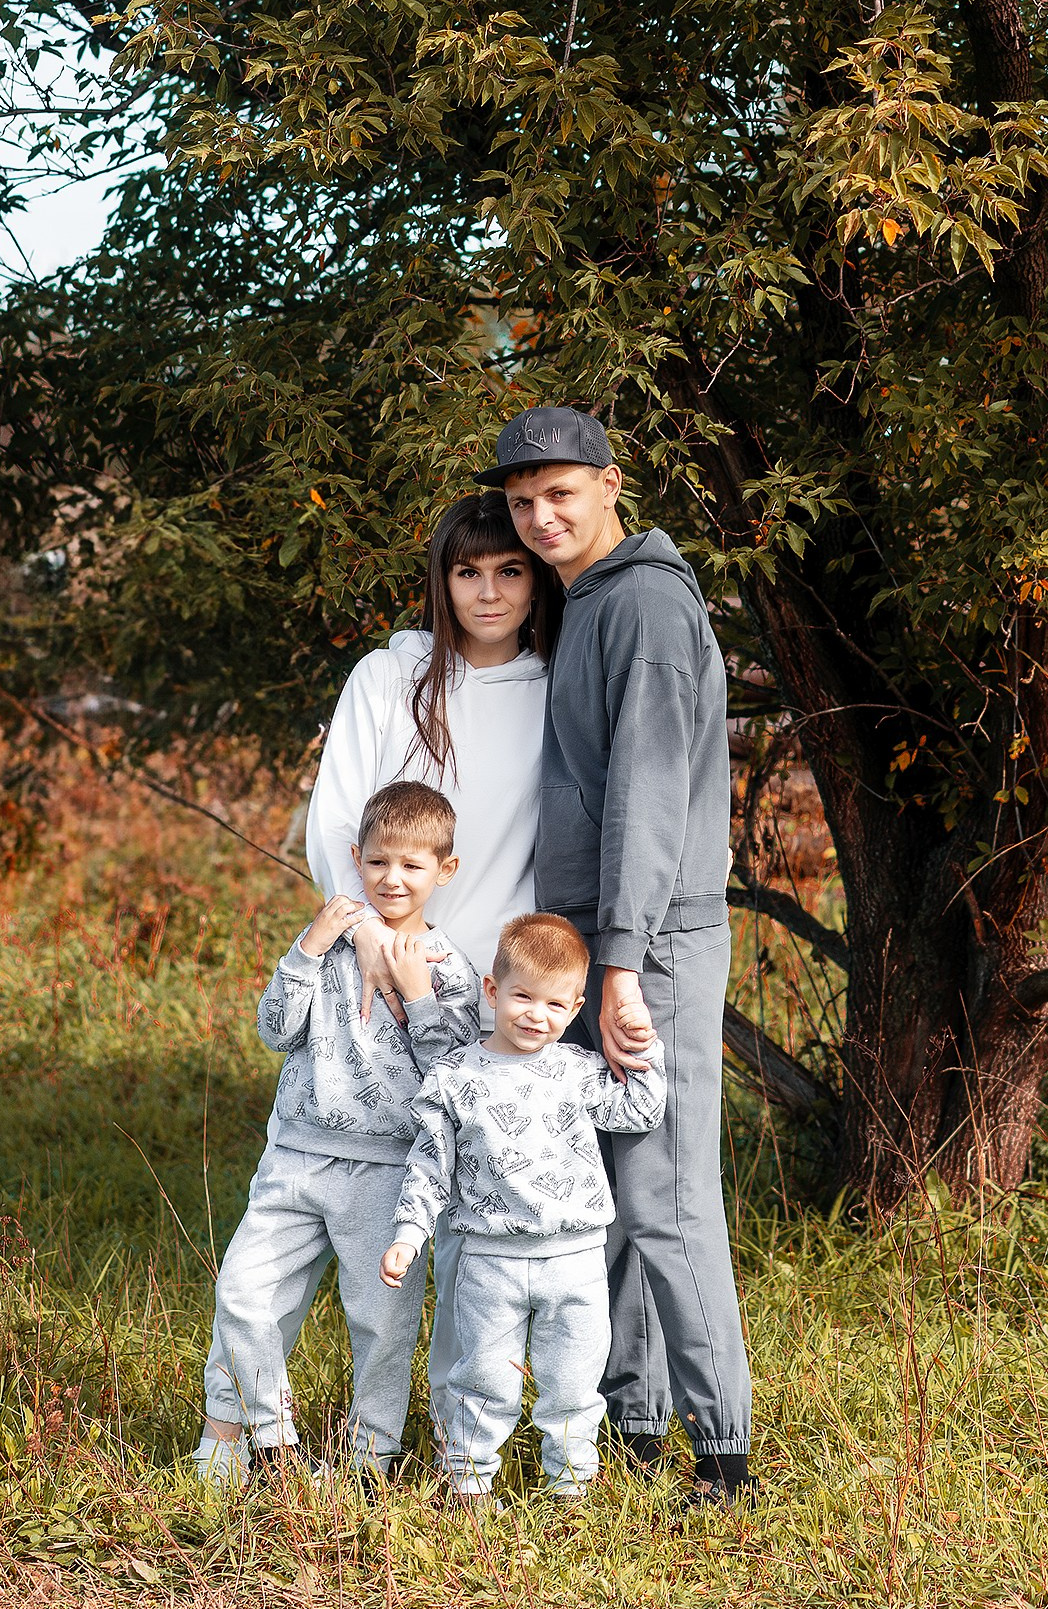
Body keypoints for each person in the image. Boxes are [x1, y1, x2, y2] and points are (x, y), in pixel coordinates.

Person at [484, 404, 753, 1507]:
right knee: (606, 1181)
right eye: (520, 502)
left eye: (559, 495)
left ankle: (723, 1456)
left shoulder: (641, 601)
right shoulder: (588, 600)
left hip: (651, 944)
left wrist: (624, 965)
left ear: (611, 482)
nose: (540, 518)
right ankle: (632, 1421)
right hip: (606, 941)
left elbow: (646, 797)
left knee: (665, 1195)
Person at [195, 780, 480, 1482]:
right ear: (357, 858)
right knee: (243, 1295)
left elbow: (452, 1078)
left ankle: (369, 1461)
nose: (393, 878)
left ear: (444, 871)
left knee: (381, 1326)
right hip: (294, 1155)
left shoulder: (451, 971)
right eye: (379, 861)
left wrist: (417, 996)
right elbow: (273, 1030)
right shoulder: (327, 945)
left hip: (388, 1171)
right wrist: (305, 947)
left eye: (413, 866)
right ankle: (269, 1441)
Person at [380, 912, 667, 1502]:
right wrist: (409, 1234)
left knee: (573, 1384)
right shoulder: (456, 1077)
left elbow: (639, 1113)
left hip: (576, 1259)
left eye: (557, 1006)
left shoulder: (578, 1071)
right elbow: (430, 1164)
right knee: (484, 1379)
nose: (538, 1016)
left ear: (577, 1008)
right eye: (523, 997)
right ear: (492, 990)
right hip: (491, 1259)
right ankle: (467, 1487)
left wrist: (647, 1050)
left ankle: (571, 1491)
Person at [306, 493, 562, 987]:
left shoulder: (556, 692)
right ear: (443, 585)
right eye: (468, 573)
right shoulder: (388, 676)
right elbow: (334, 821)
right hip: (377, 969)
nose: (488, 593)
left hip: (496, 986)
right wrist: (367, 934)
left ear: (535, 582)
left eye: (509, 571)